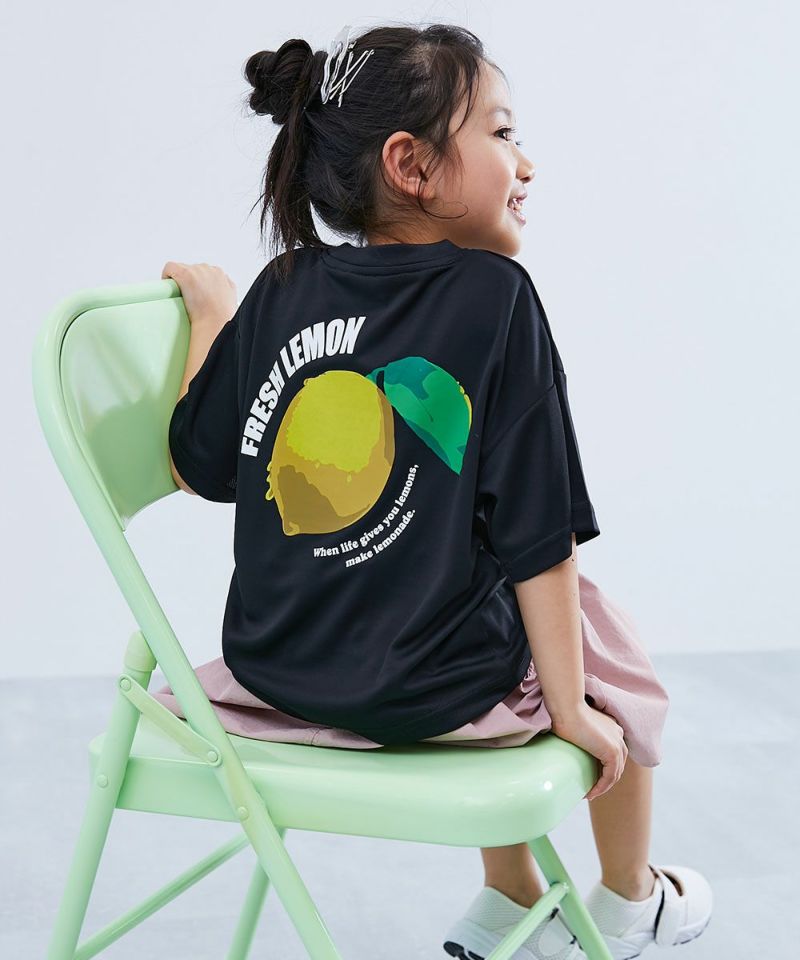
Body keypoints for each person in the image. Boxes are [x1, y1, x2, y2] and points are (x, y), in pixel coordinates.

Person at [156, 23, 712, 960]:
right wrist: (572, 710)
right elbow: (537, 532)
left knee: (452, 569)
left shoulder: (282, 287)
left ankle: (511, 899)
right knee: (590, 624)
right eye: (501, 132)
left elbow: (195, 465)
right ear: (411, 164)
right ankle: (629, 899)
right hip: (431, 693)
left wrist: (216, 320)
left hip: (277, 678)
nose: (525, 162)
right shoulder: (496, 297)